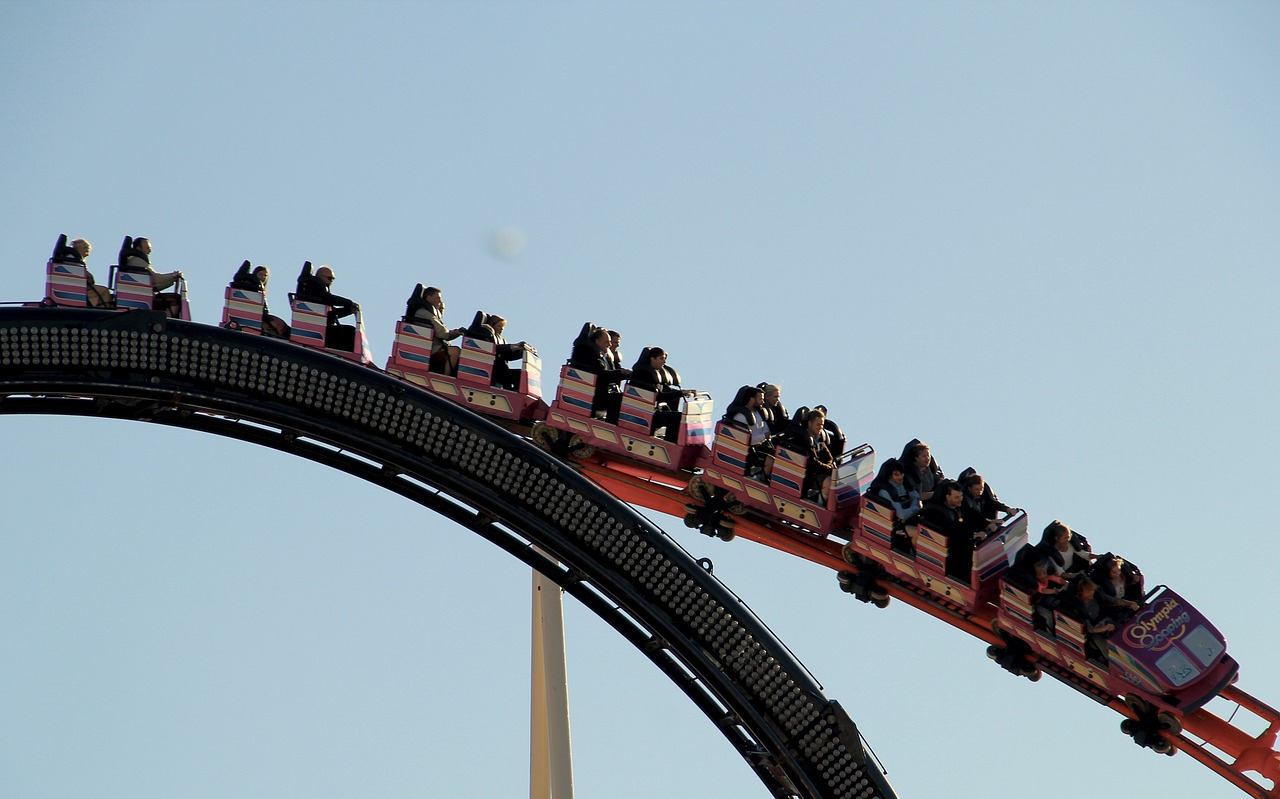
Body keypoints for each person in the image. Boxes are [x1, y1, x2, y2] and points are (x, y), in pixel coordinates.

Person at [629, 347, 695, 441]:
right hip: (643, 414)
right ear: (652, 359)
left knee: (677, 415)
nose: (664, 362)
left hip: (652, 412)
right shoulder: (643, 374)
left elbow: (666, 390)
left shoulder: (654, 374)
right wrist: (679, 394)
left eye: (664, 359)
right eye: (661, 358)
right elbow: (658, 396)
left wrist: (683, 392)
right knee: (678, 418)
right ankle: (671, 445)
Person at [569, 326, 630, 423]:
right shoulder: (590, 354)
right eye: (607, 342)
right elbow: (601, 374)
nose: (609, 345)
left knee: (622, 397)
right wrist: (619, 373)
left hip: (600, 391)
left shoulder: (602, 355)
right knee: (620, 400)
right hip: (594, 394)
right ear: (597, 341)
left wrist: (623, 374)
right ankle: (612, 425)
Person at [297, 264, 359, 351]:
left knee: (350, 331)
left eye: (333, 279)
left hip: (321, 326)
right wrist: (350, 303)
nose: (331, 281)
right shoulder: (313, 286)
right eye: (329, 278)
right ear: (319, 276)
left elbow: (331, 314)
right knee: (350, 332)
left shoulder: (318, 293)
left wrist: (349, 310)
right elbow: (330, 299)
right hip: (318, 329)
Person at [403, 286, 464, 374]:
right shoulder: (424, 313)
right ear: (429, 297)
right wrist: (453, 333)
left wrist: (457, 333)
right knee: (456, 351)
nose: (440, 301)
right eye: (438, 298)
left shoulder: (426, 312)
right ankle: (447, 377)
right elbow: (443, 334)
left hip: (432, 347)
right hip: (429, 349)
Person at [866, 458, 921, 554]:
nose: (900, 477)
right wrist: (915, 508)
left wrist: (914, 506)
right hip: (895, 527)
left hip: (910, 519)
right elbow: (902, 514)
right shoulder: (886, 492)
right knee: (918, 533)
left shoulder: (905, 484)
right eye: (896, 474)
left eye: (901, 474)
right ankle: (914, 556)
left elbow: (916, 498)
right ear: (890, 476)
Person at [919, 480, 971, 580]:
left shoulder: (956, 509)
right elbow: (950, 532)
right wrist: (971, 535)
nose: (960, 499)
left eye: (961, 496)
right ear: (947, 497)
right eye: (956, 497)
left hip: (952, 541)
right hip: (942, 545)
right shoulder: (937, 512)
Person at [121, 236, 184, 316]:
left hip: (143, 295)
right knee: (175, 299)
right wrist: (173, 275)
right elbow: (155, 279)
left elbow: (152, 285)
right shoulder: (137, 261)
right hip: (142, 299)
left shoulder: (137, 261)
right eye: (147, 248)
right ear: (138, 249)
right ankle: (166, 321)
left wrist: (171, 280)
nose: (150, 250)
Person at [1061, 576, 1116, 665]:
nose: (1092, 593)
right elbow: (1091, 629)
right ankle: (1112, 665)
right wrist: (1104, 628)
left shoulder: (1095, 599)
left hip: (1105, 622)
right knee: (1106, 649)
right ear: (1081, 592)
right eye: (1088, 591)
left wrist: (1130, 604)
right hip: (1095, 632)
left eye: (1092, 591)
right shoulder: (1079, 607)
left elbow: (1114, 600)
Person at [723, 384, 775, 480]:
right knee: (769, 460)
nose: (763, 402)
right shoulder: (741, 417)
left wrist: (763, 436)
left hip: (758, 447)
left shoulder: (758, 413)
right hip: (743, 452)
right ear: (752, 399)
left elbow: (766, 429)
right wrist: (763, 436)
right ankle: (759, 481)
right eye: (760, 399)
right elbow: (746, 441)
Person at [235, 265, 289, 338]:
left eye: (265, 275)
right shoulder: (251, 287)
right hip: (257, 316)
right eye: (260, 274)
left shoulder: (261, 291)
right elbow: (259, 308)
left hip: (263, 315)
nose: (263, 277)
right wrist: (270, 321)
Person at [957, 470, 1016, 535]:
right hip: (972, 528)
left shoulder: (984, 493)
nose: (979, 492)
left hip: (986, 523)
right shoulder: (964, 499)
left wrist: (1007, 509)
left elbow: (992, 502)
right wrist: (988, 523)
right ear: (969, 488)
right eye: (976, 489)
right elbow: (973, 514)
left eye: (981, 489)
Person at [797, 408, 836, 504]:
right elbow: (813, 463)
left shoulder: (819, 439)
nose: (820, 428)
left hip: (819, 472)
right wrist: (828, 468)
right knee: (829, 481)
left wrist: (829, 466)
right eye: (818, 425)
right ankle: (819, 504)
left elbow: (829, 458)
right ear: (810, 423)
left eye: (822, 425)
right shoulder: (803, 439)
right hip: (808, 475)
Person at [485, 313, 534, 390]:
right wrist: (513, 346)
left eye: (503, 327)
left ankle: (515, 392)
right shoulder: (488, 337)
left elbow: (508, 355)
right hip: (494, 371)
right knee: (513, 375)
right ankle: (510, 392)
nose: (501, 329)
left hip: (503, 370)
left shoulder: (502, 340)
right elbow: (496, 349)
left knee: (521, 374)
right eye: (499, 326)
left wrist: (521, 351)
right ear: (492, 326)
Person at [1091, 555, 1142, 624]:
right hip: (1113, 607)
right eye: (1114, 572)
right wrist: (1128, 604)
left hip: (1126, 599)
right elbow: (1110, 600)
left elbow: (1129, 586)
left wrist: (1134, 579)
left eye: (1118, 571)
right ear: (1108, 572)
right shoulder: (1104, 584)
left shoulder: (1123, 576)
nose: (1117, 574)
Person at [68, 238, 111, 308]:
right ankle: (103, 309)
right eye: (86, 251)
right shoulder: (72, 259)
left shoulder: (74, 259)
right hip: (79, 289)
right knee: (104, 290)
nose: (87, 255)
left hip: (81, 287)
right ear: (81, 248)